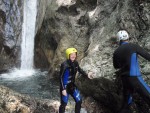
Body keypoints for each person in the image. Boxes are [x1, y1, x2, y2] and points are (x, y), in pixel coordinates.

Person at [113, 30, 150, 113]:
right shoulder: (133, 46)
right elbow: (147, 56)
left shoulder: (116, 52)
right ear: (127, 37)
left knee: (126, 105)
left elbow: (116, 66)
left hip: (125, 80)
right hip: (135, 78)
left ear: (118, 40)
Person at [59, 48, 94, 113]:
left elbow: (80, 70)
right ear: (68, 55)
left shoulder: (75, 63)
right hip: (65, 87)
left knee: (79, 101)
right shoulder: (64, 64)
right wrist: (63, 89)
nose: (73, 56)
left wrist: (87, 74)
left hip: (72, 86)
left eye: (75, 54)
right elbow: (60, 77)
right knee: (64, 104)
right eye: (71, 54)